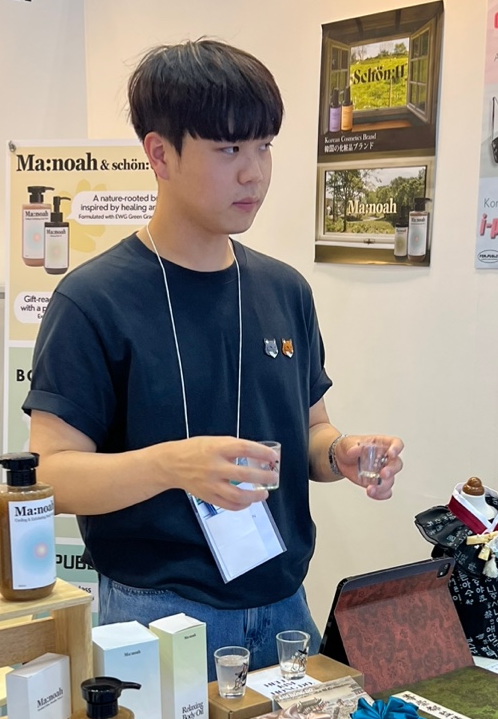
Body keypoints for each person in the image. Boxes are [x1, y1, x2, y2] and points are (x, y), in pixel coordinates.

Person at [24, 40, 403, 673]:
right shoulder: (93, 300)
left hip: (285, 607)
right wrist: (173, 465)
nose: (255, 173)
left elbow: (310, 430)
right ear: (159, 154)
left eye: (264, 146)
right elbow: (50, 477)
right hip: (158, 616)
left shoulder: (285, 290)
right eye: (229, 150)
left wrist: (342, 453)